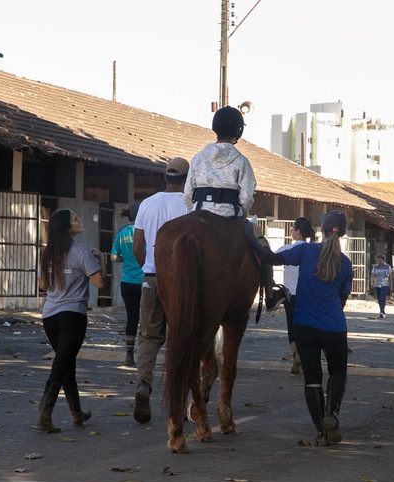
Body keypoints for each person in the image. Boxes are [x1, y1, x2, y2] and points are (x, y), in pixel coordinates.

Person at [184, 105, 289, 312]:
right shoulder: (241, 161)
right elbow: (247, 197)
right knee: (262, 245)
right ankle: (270, 294)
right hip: (230, 218)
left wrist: (194, 212)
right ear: (239, 131)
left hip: (199, 214)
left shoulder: (198, 158)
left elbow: (188, 194)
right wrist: (241, 212)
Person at [267, 210, 353, 446]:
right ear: (342, 234)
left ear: (321, 231)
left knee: (312, 380)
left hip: (304, 326)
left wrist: (255, 242)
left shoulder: (305, 250)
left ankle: (320, 431)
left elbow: (273, 259)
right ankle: (331, 415)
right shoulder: (346, 264)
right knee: (337, 373)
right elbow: (342, 300)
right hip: (334, 327)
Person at [34, 209, 107, 433]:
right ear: (67, 227)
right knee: (61, 364)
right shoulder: (82, 252)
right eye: (76, 219)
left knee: (66, 362)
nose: (80, 220)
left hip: (49, 316)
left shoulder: (47, 254)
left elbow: (43, 285)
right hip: (73, 315)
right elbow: (100, 283)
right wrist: (102, 259)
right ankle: (44, 414)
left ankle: (77, 413)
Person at [132, 157, 190, 423]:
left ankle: (143, 385)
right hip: (181, 283)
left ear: (165, 177)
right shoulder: (190, 205)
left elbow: (137, 247)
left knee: (148, 338)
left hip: (151, 279)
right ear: (186, 179)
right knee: (182, 339)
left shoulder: (147, 203)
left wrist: (150, 269)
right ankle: (180, 400)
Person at [275, 217, 315, 374]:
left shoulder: (287, 249)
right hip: (309, 295)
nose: (291, 230)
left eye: (292, 228)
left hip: (291, 295)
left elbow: (269, 257)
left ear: (298, 231)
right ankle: (307, 357)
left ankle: (296, 355)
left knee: (292, 327)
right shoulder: (313, 250)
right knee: (307, 326)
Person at [110, 202, 143, 365]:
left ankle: (129, 354)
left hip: (127, 282)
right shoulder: (145, 231)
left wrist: (127, 259)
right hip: (145, 282)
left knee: (132, 317)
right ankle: (145, 353)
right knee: (149, 318)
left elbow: (114, 257)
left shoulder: (122, 232)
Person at [370, 253, 392, 318]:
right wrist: (372, 282)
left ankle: (381, 311)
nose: (379, 262)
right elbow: (373, 275)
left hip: (385, 283)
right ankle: (382, 310)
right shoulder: (375, 267)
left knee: (383, 297)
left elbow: (390, 276)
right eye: (378, 260)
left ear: (383, 260)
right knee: (379, 298)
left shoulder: (387, 266)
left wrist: (391, 284)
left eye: (380, 260)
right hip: (377, 283)